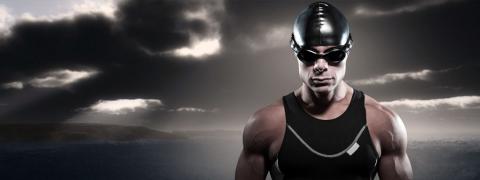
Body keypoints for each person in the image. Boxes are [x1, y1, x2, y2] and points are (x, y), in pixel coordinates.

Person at [235, 1, 413, 180]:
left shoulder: (384, 123)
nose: (320, 66)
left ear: (347, 51)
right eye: (309, 56)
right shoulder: (266, 124)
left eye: (334, 55)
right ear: (296, 52)